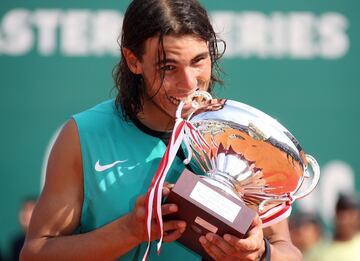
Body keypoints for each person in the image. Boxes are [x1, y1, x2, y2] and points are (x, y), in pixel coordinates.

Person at [20, 0, 302, 260]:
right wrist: (129, 231)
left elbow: (288, 252)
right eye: (168, 67)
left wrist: (260, 253)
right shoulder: (83, 135)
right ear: (133, 61)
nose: (189, 82)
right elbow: (35, 253)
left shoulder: (239, 138)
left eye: (198, 61)